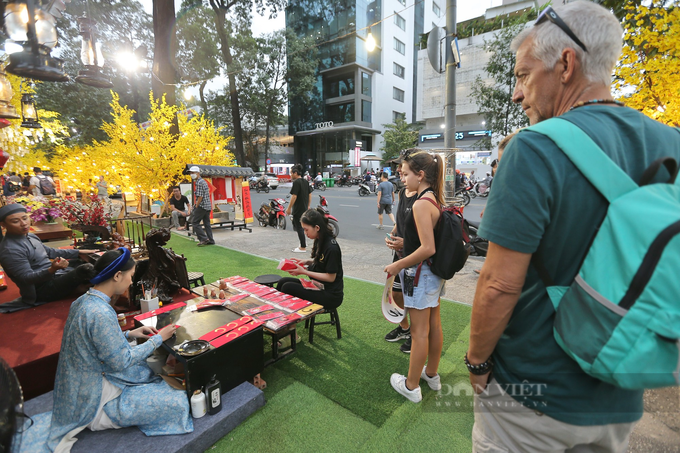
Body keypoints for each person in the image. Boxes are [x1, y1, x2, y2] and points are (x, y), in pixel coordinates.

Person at [468, 3, 679, 451]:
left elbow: (497, 286)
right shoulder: (672, 143)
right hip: (622, 390)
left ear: (566, 64)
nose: (516, 94)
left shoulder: (534, 148)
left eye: (524, 75)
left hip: (533, 396)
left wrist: (476, 363)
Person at [47, 248, 192, 452]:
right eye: (131, 276)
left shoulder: (84, 301)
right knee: (178, 400)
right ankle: (100, 418)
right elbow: (120, 362)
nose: (131, 282)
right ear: (117, 275)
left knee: (148, 368)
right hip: (94, 396)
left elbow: (95, 342)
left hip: (80, 385)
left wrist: (130, 335)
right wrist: (158, 339)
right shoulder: (99, 312)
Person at [384, 151, 444, 403]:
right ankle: (431, 374)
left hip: (420, 273)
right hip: (433, 273)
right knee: (434, 325)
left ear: (420, 175)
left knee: (419, 332)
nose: (403, 178)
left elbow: (427, 248)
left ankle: (411, 386)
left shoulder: (421, 203)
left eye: (406, 173)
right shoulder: (433, 198)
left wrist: (398, 266)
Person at [0, 204, 98, 313]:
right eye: (15, 221)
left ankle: (83, 286)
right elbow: (26, 278)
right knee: (86, 269)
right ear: (3, 225)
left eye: (24, 218)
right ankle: (90, 287)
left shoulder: (30, 236)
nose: (23, 223)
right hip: (41, 290)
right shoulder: (10, 249)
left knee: (83, 260)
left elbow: (50, 252)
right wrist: (52, 270)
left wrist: (79, 252)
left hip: (55, 275)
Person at [277, 208, 343, 310]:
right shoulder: (319, 239)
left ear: (317, 227)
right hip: (318, 285)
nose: (305, 233)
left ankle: (288, 322)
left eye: (306, 229)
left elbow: (331, 277)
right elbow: (323, 262)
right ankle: (278, 314)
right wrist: (307, 262)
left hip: (330, 295)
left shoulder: (331, 247)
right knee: (283, 281)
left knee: (287, 287)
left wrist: (304, 272)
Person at [384, 158, 418, 353]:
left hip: (416, 259)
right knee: (396, 294)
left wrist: (407, 242)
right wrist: (394, 234)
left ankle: (417, 333)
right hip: (400, 254)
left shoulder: (424, 198)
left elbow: (430, 243)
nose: (399, 172)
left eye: (404, 170)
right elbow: (400, 220)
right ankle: (405, 328)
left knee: (414, 299)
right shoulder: (403, 192)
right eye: (400, 169)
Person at [286, 164, 312, 253]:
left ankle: (303, 247)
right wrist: (308, 205)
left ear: (295, 173)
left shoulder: (296, 182)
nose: (290, 175)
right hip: (304, 208)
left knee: (299, 227)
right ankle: (303, 242)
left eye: (291, 173)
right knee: (303, 226)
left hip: (298, 209)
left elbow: (294, 196)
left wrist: (289, 208)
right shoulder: (305, 181)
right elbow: (310, 194)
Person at [188, 166, 214, 247]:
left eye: (193, 173)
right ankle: (210, 239)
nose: (191, 174)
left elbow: (200, 196)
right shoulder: (203, 181)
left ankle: (203, 238)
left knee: (195, 222)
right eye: (191, 173)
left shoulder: (199, 182)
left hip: (202, 206)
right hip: (208, 205)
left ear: (198, 173)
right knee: (207, 223)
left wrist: (196, 205)